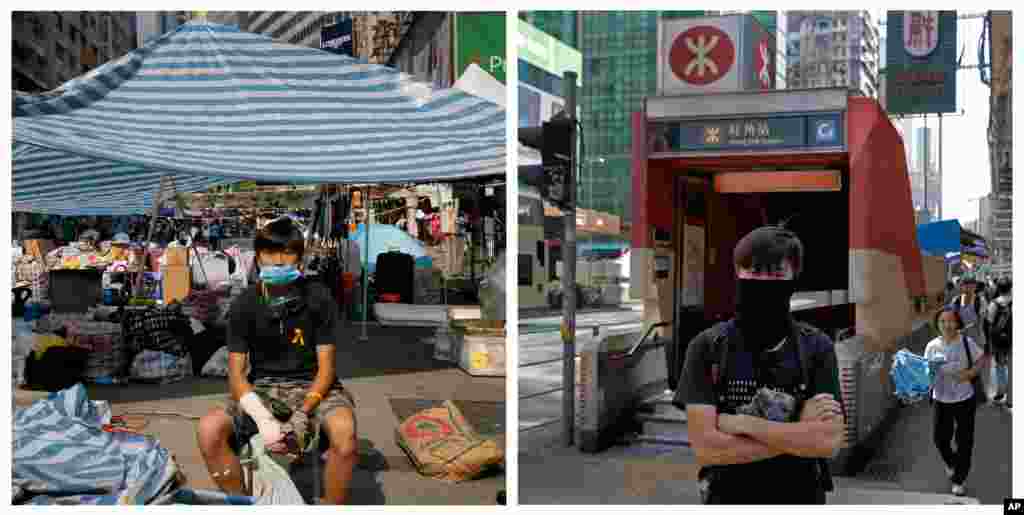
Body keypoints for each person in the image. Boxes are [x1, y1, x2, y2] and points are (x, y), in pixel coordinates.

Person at [674, 225, 845, 504]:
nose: (763, 282)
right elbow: (707, 449)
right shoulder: (707, 346)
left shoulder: (816, 347)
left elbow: (828, 443)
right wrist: (799, 431)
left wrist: (739, 423)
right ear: (737, 274)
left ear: (793, 278)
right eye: (754, 272)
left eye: (776, 274)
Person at [196, 217, 358, 505]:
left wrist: (302, 413)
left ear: (300, 258)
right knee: (209, 429)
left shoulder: (318, 297)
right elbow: (236, 374)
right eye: (270, 253)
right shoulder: (245, 303)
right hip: (263, 388)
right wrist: (261, 417)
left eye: (287, 254)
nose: (279, 262)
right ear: (257, 258)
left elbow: (326, 369)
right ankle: (241, 503)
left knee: (345, 437)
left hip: (315, 387)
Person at [924, 307, 990, 496]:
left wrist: (970, 373)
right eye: (942, 321)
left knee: (964, 441)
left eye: (951, 321)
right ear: (937, 324)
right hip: (940, 398)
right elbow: (926, 372)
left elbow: (981, 359)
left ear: (958, 323)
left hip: (964, 398)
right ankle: (952, 462)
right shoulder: (931, 346)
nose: (947, 325)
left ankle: (959, 479)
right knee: (940, 439)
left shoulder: (966, 343)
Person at [984, 278, 1012, 406]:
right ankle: (1011, 398)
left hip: (1000, 342)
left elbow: (989, 324)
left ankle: (1001, 392)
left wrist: (990, 343)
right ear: (1010, 287)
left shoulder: (994, 304)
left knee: (1000, 367)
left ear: (998, 289)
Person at [952, 277, 987, 352]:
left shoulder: (980, 300)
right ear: (961, 286)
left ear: (975, 287)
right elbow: (952, 316)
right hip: (960, 337)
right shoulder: (956, 300)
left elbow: (981, 320)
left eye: (971, 286)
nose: (969, 288)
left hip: (976, 337)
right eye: (966, 285)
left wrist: (966, 328)